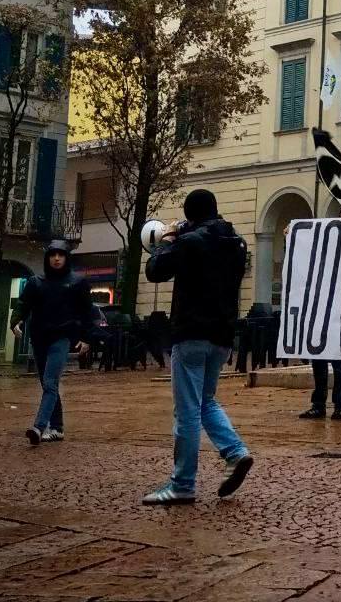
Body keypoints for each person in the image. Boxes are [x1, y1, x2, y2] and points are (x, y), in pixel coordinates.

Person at [141, 189, 254, 505]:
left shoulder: (190, 242)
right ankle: (235, 452)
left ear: (190, 214)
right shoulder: (235, 242)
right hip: (221, 335)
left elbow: (155, 270)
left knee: (187, 410)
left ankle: (182, 484)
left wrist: (168, 239)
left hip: (190, 332)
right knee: (206, 400)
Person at [9, 240, 94, 445]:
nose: (57, 258)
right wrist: (15, 322)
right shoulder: (36, 282)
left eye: (61, 255)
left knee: (49, 382)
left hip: (62, 338)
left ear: (66, 258)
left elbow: (87, 312)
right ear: (47, 258)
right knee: (49, 384)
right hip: (39, 338)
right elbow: (23, 305)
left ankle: (39, 427)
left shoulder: (77, 282)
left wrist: (86, 338)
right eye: (53, 255)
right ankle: (57, 428)